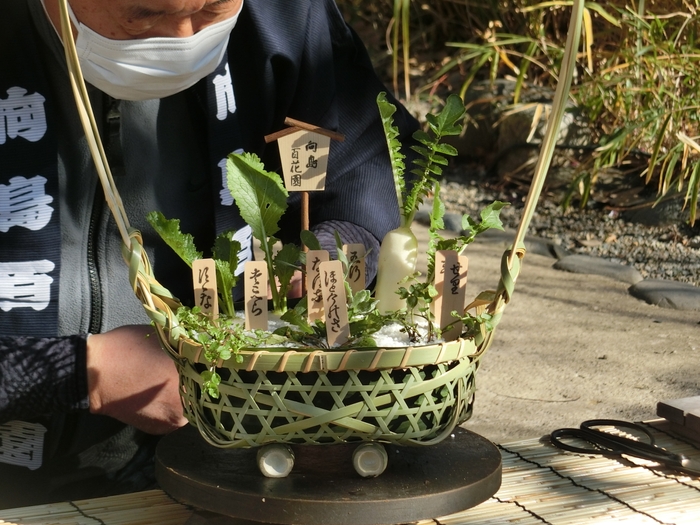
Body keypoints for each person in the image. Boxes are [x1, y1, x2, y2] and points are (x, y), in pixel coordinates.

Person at [0, 0, 418, 509]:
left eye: (212, 10)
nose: (182, 37)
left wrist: (337, 248)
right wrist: (80, 371)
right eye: (145, 15)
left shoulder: (283, 17)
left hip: (214, 463)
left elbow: (362, 175)